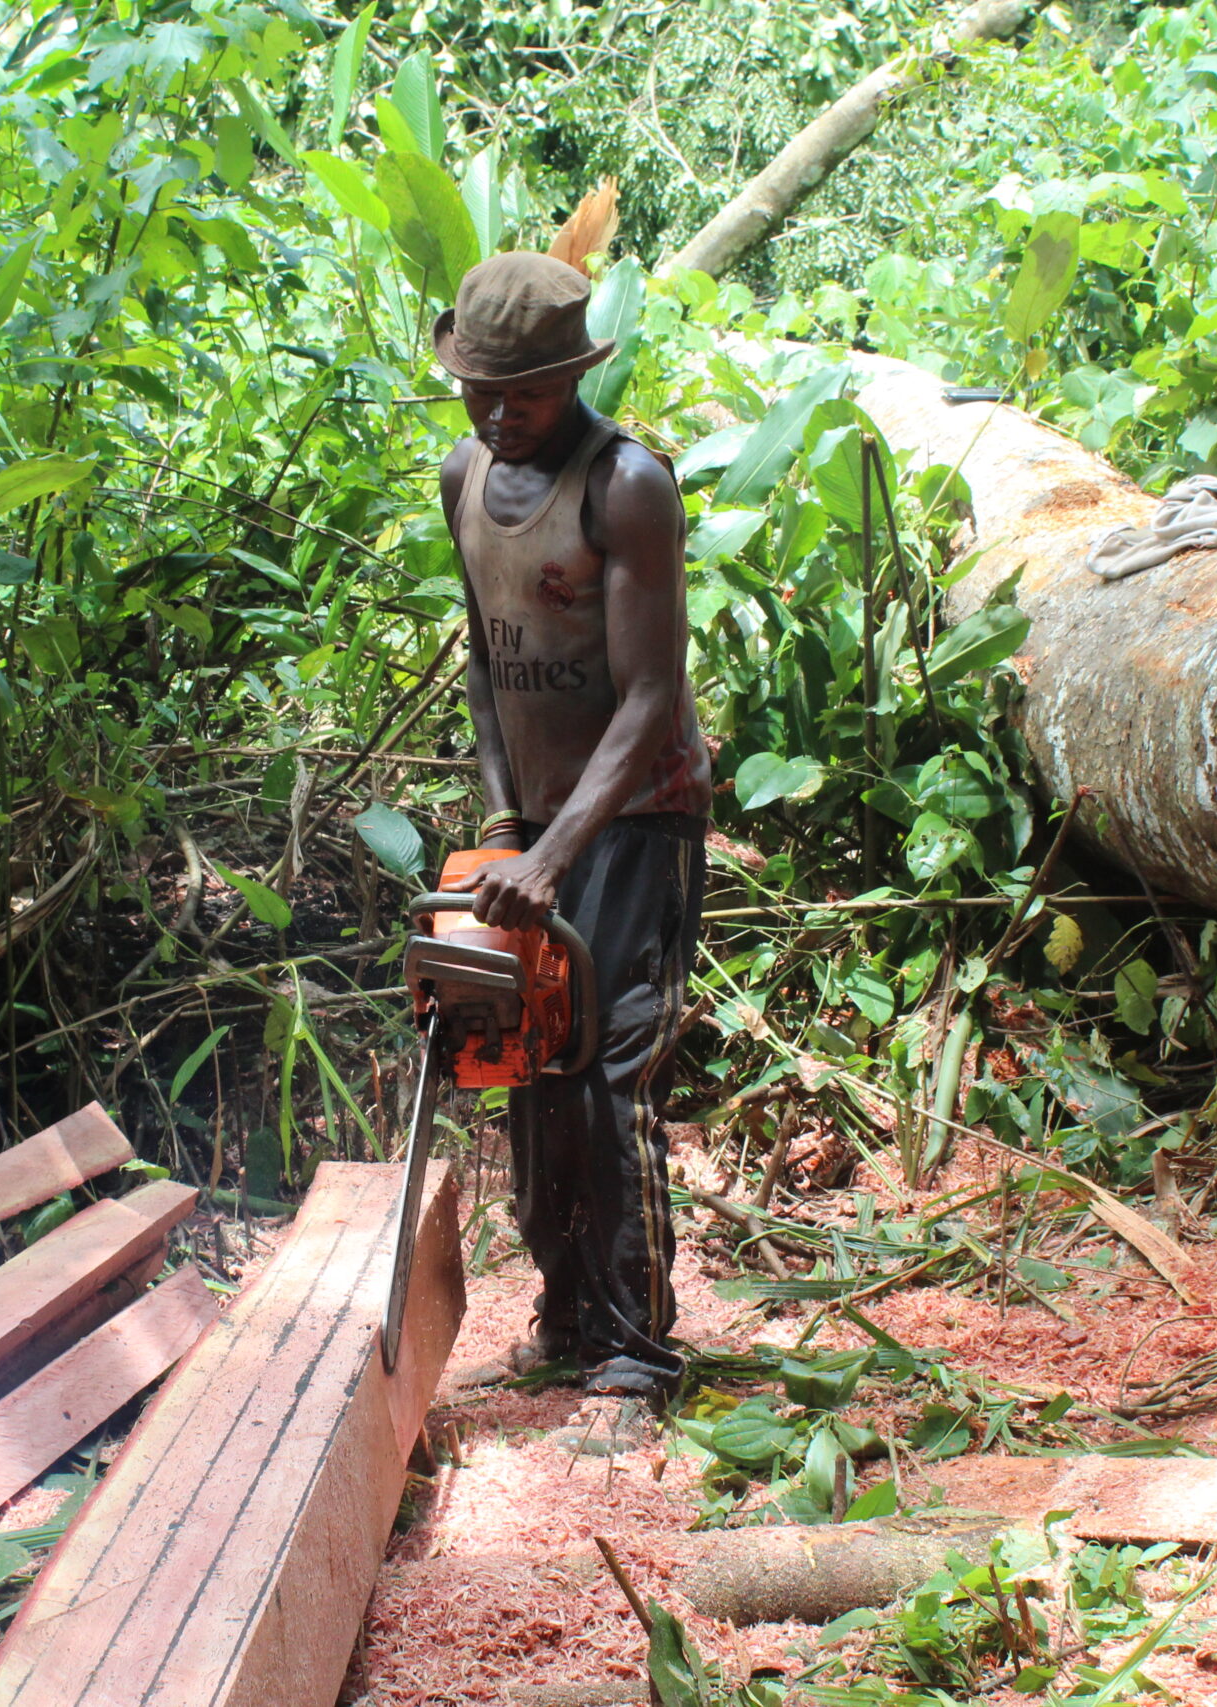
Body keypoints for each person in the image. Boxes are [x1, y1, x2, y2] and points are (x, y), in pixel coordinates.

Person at [434, 252, 711, 1404]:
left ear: (573, 377)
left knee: (610, 1078)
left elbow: (650, 699)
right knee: (527, 1068)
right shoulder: (460, 476)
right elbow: (487, 669)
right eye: (482, 392)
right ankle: (565, 1317)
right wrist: (509, 825)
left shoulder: (626, 486)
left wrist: (556, 856)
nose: (501, 417)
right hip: (534, 832)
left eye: (526, 396)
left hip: (635, 825)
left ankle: (638, 1354)